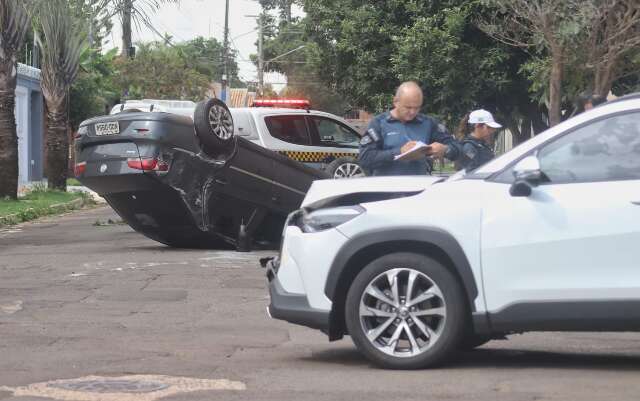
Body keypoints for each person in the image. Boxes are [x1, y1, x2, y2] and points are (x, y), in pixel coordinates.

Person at [358, 81, 461, 176]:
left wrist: (445, 150)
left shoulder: (428, 123)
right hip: (386, 190)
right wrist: (399, 152)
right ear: (395, 102)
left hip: (418, 189)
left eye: (417, 107)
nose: (412, 112)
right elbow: (365, 159)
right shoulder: (379, 123)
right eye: (408, 107)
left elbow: (458, 149)